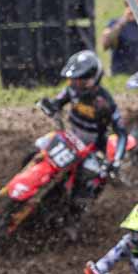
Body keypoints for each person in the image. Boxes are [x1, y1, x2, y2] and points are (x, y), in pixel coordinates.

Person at [37, 49, 121, 215]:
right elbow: (58, 102)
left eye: (81, 80)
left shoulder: (105, 101)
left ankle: (75, 216)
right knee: (39, 146)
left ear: (94, 78)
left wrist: (116, 160)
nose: (77, 84)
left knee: (88, 177)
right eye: (74, 80)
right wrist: (50, 105)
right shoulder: (72, 89)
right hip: (70, 137)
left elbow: (122, 132)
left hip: (93, 148)